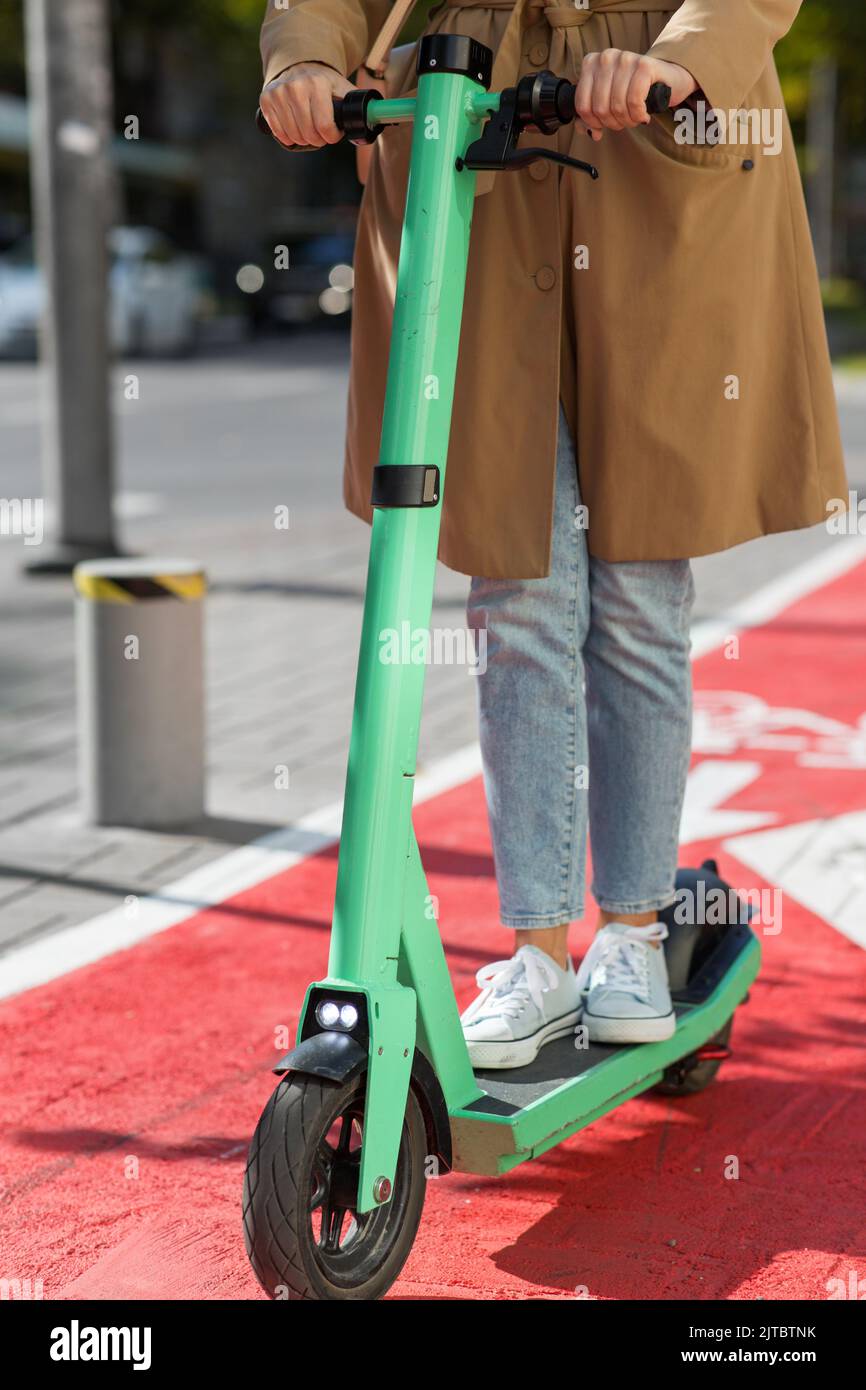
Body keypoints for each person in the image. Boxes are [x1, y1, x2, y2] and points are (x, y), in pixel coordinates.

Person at [259, 0, 847, 1068]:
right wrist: (303, 59)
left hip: (648, 133)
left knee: (633, 590)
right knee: (511, 586)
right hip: (463, 124)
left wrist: (674, 62)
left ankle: (631, 931)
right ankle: (533, 951)